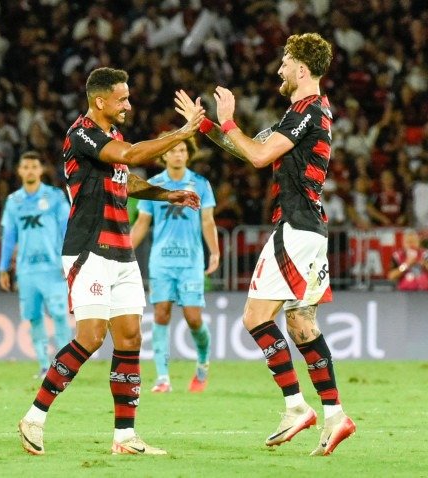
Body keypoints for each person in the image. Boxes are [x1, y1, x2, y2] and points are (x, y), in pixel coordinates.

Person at [174, 33, 355, 456]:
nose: (279, 70)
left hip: (294, 228)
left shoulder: (305, 112)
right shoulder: (306, 113)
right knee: (301, 324)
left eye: (285, 63)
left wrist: (230, 117)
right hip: (310, 229)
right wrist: (205, 125)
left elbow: (256, 156)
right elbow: (247, 150)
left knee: (256, 318)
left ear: (302, 70)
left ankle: (296, 407)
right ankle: (335, 416)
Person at [18, 67, 202, 457]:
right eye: (122, 99)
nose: (128, 105)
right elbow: (131, 155)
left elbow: (127, 178)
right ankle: (34, 416)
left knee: (131, 338)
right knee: (90, 337)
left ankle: (124, 436)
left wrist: (167, 195)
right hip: (89, 249)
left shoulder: (112, 137)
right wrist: (183, 132)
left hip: (121, 251)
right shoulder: (81, 133)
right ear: (100, 101)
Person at [130, 136, 219, 394]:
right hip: (161, 262)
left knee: (193, 318)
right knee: (161, 314)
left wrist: (214, 252)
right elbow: (142, 223)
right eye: (173, 150)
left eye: (182, 150)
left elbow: (207, 221)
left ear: (187, 155)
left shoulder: (200, 184)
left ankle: (202, 363)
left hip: (191, 262)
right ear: (164, 156)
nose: (178, 154)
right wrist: (123, 251)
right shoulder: (153, 186)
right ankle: (162, 378)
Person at [0, 151, 72, 379]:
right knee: (34, 317)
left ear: (41, 170)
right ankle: (44, 366)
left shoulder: (55, 197)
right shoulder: (14, 202)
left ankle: (65, 367)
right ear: (20, 171)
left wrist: (68, 259)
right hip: (27, 270)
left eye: (34, 166)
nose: (30, 170)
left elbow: (66, 229)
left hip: (53, 268)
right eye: (26, 167)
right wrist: (3, 267)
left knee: (60, 315)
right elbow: (9, 236)